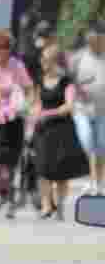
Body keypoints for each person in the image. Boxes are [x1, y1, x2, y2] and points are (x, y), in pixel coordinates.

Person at [33, 44, 89, 220]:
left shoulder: (67, 82)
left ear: (56, 62)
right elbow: (36, 103)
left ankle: (59, 204)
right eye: (42, 60)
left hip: (61, 129)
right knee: (42, 169)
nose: (44, 63)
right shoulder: (40, 80)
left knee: (61, 173)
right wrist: (35, 113)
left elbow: (69, 106)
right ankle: (46, 205)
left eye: (47, 60)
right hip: (43, 130)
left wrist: (46, 114)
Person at [0, 29, 33, 218]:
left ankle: (8, 197)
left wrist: (26, 105)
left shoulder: (17, 66)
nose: (1, 50)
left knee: (11, 163)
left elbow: (29, 88)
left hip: (15, 117)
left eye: (5, 46)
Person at [71, 21, 105, 195]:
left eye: (98, 39)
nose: (94, 42)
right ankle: (90, 179)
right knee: (86, 141)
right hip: (82, 108)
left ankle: (98, 182)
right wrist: (77, 90)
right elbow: (69, 82)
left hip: (103, 110)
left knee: (101, 146)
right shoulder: (78, 57)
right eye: (91, 39)